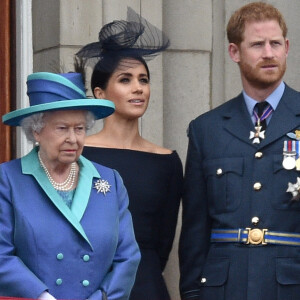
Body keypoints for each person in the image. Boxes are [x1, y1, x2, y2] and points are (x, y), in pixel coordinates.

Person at [179, 2, 300, 300]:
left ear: (286, 47)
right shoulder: (206, 130)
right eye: (257, 45)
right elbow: (195, 228)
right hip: (223, 289)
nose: (269, 53)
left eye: (275, 44)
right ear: (235, 52)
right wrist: (193, 293)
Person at [0, 72, 140, 300]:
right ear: (36, 130)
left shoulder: (110, 180)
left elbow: (128, 256)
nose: (73, 139)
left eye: (80, 128)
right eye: (62, 128)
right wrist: (42, 296)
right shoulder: (8, 180)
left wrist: (102, 298)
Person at [75, 8, 183, 300]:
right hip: (85, 284)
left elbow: (163, 245)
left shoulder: (167, 160)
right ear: (100, 93)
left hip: (147, 286)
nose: (138, 88)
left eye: (143, 80)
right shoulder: (77, 153)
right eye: (125, 80)